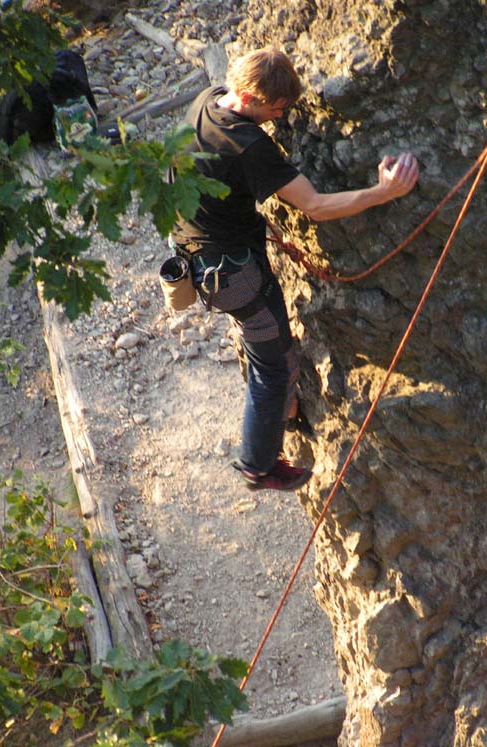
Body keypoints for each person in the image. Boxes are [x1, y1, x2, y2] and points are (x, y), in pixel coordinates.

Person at [171, 47, 419, 491]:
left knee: (268, 348)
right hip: (235, 276)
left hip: (197, 252)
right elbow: (316, 206)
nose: (280, 116)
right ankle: (257, 466)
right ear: (248, 97)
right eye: (276, 109)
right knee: (272, 368)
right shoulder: (248, 146)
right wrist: (382, 192)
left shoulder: (208, 99)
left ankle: (281, 417)